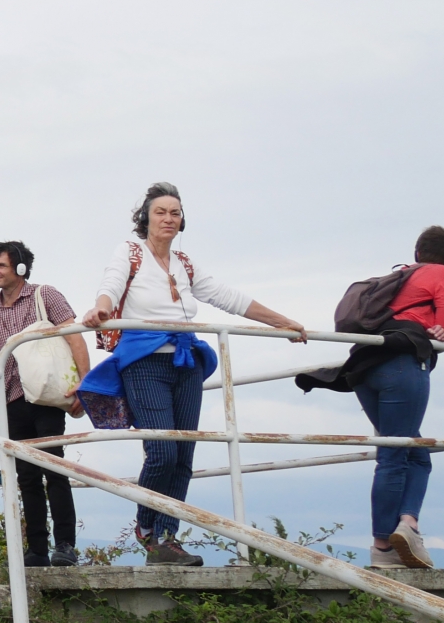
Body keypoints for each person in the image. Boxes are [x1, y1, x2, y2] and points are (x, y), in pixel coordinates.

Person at [80, 183, 305, 567]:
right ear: (146, 218)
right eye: (160, 212)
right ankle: (148, 529)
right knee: (162, 451)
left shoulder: (184, 263)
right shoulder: (130, 252)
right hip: (145, 362)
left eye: (175, 213)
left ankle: (169, 539)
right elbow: (111, 285)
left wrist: (281, 322)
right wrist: (101, 308)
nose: (168, 218)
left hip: (186, 362)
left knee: (184, 455)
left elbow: (226, 296)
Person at [0, 241, 91, 568]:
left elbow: (74, 337)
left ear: (20, 268)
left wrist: (86, 385)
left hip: (47, 397)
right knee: (26, 476)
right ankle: (37, 550)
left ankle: (65, 545)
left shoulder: (45, 295)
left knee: (54, 467)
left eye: (1, 266)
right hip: (10, 401)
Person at [352, 226, 444, 569]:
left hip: (364, 366)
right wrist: (436, 329)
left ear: (416, 253)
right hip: (401, 367)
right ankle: (393, 537)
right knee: (398, 455)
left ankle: (397, 536)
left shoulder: (398, 276)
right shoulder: (442, 273)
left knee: (411, 452)